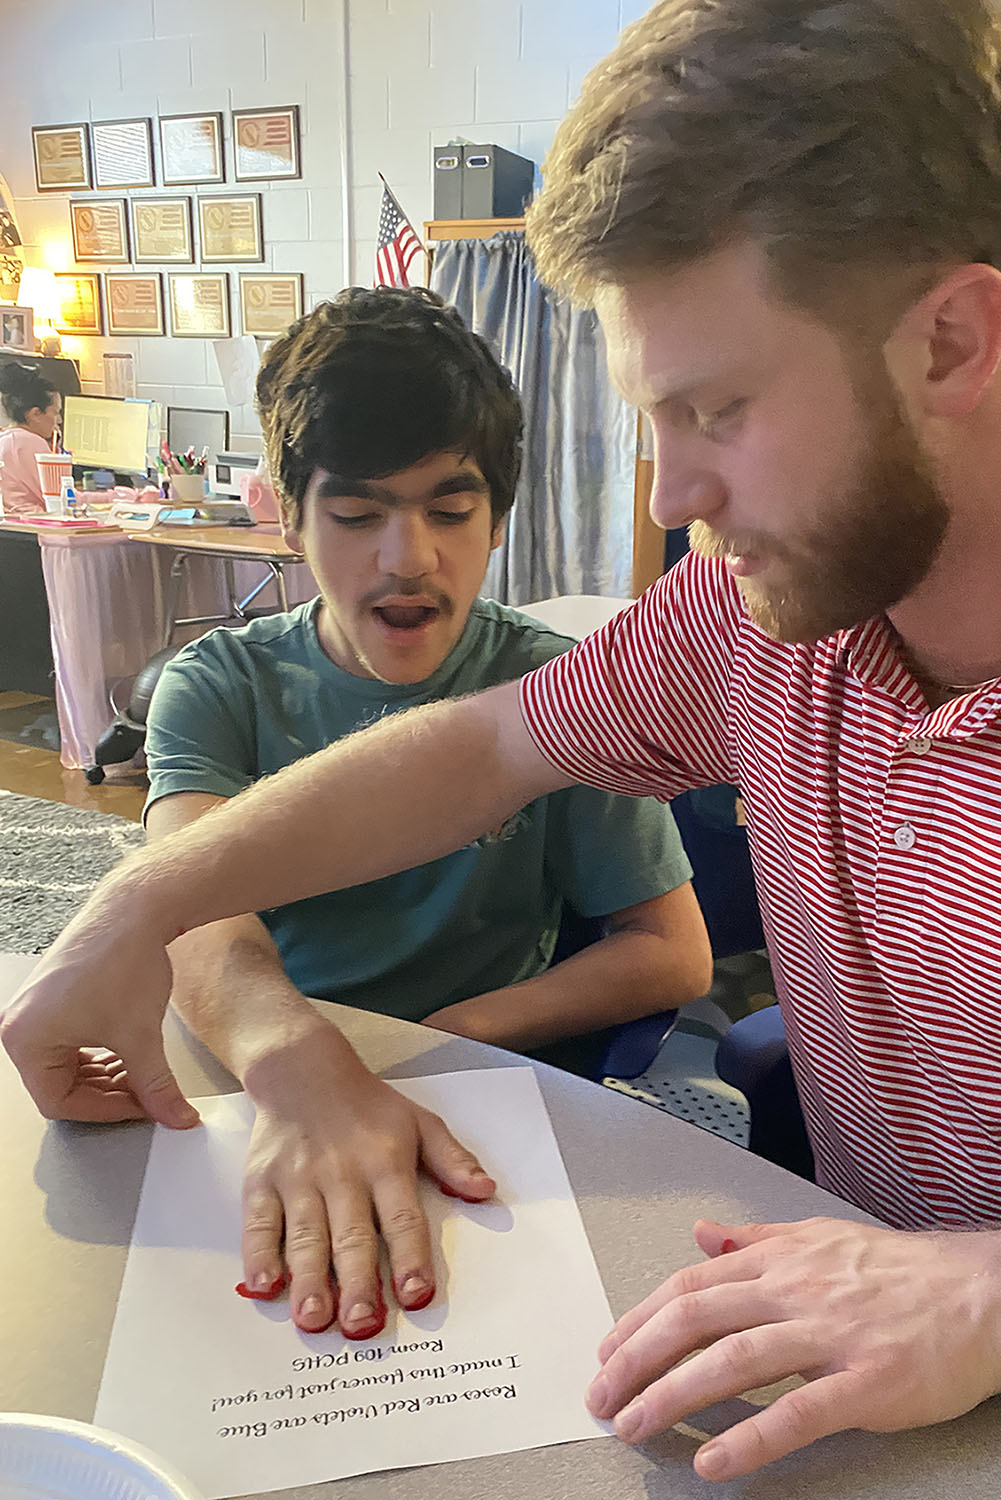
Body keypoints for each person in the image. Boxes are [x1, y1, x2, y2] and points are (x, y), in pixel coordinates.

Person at [4, 0, 1001, 1474]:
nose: (672, 493)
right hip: (849, 1382)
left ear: (949, 336)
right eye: (649, 414)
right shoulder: (760, 611)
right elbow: (482, 749)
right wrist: (139, 898)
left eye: (718, 407)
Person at [142, 284, 710, 1339]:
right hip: (273, 1064)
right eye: (357, 515)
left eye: (450, 511)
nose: (408, 558)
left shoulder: (555, 690)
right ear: (288, 512)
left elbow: (671, 955)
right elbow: (185, 914)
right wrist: (309, 1067)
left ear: (498, 514)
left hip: (471, 1082)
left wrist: (447, 1034)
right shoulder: (219, 683)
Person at [0, 361, 58, 515]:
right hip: (33, 527)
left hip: (11, 530)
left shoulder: (5, 439)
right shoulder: (29, 442)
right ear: (35, 414)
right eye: (55, 412)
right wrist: (121, 495)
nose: (58, 420)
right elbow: (61, 498)